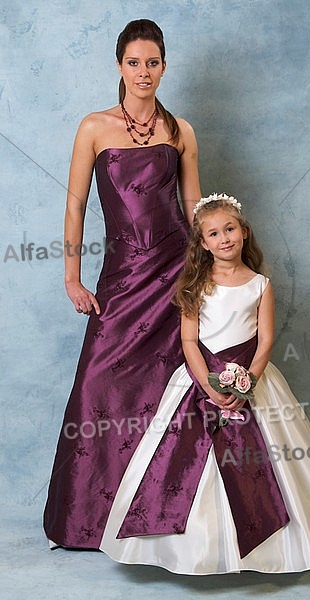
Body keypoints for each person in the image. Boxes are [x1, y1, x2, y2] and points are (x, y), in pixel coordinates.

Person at [99, 193, 310, 574]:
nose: (224, 238)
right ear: (202, 243)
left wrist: (247, 384)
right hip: (199, 379)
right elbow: (189, 341)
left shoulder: (260, 284)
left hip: (252, 381)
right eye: (213, 233)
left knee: (270, 461)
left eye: (229, 228)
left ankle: (273, 547)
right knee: (184, 459)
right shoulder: (195, 283)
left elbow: (266, 340)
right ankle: (191, 552)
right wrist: (208, 388)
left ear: (243, 232)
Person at [43, 19, 201, 549]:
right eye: (134, 62)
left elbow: (197, 211)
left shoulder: (181, 131)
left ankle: (168, 516)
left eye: (152, 62)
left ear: (164, 66)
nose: (143, 72)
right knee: (99, 386)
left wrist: (212, 275)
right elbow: (75, 204)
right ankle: (89, 519)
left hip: (177, 274)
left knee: (175, 391)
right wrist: (72, 275)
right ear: (118, 66)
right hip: (122, 277)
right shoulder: (94, 127)